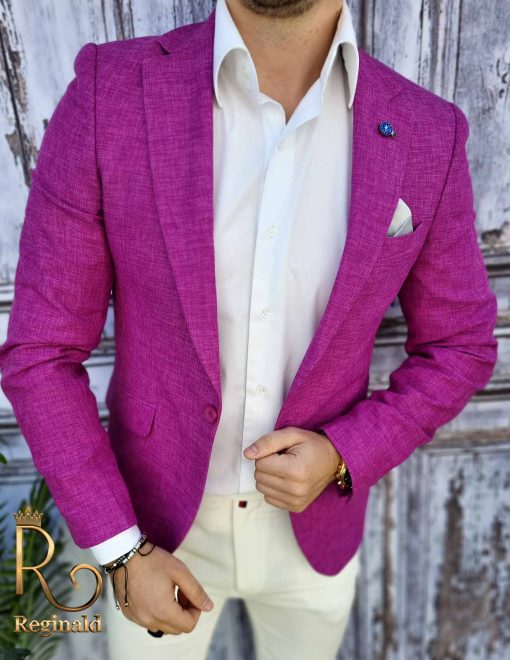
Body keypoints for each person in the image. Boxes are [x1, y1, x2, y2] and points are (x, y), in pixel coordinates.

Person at [0, 0, 498, 658]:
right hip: (146, 531)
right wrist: (119, 550)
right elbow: (41, 353)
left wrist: (345, 454)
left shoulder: (428, 132)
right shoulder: (109, 94)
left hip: (317, 534)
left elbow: (460, 345)